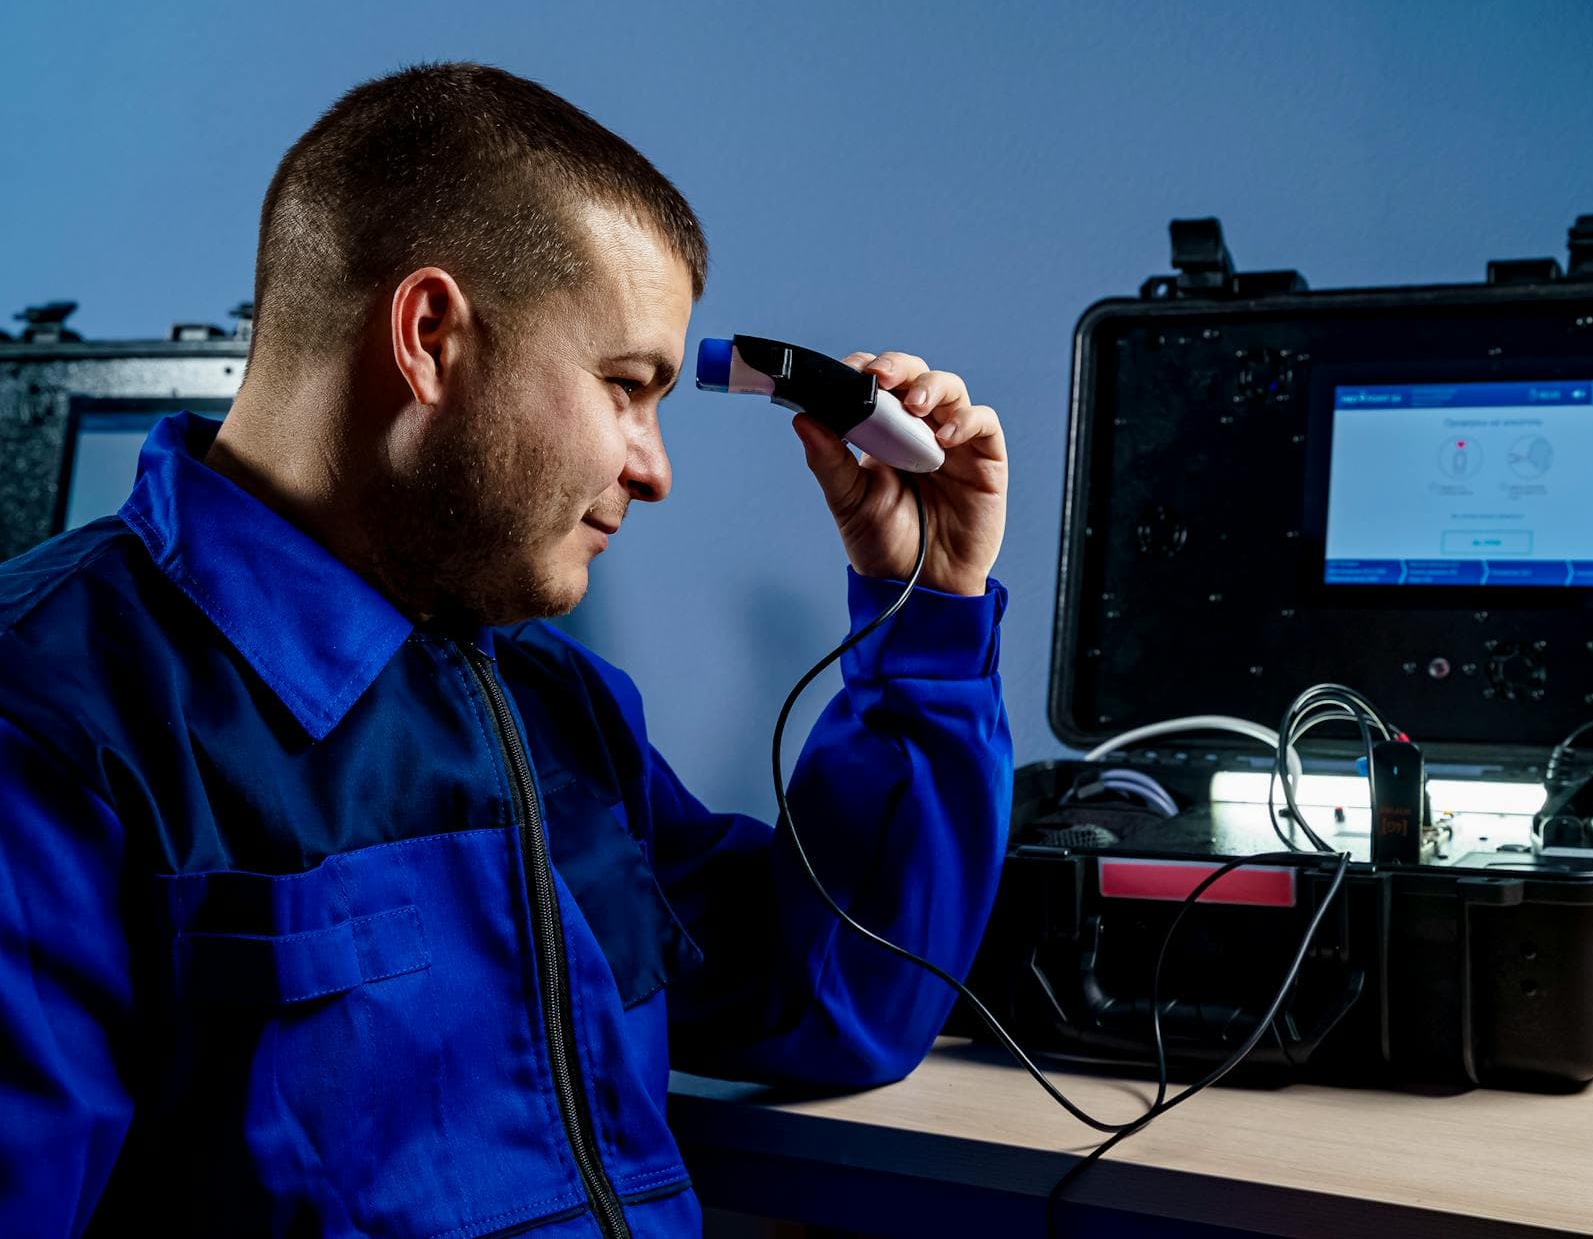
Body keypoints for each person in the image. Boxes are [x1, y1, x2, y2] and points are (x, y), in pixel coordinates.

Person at [0, 62, 1012, 1237]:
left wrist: (924, 605)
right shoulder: (48, 721)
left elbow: (844, 999)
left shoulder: (552, 705)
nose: (655, 468)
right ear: (429, 338)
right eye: (627, 387)